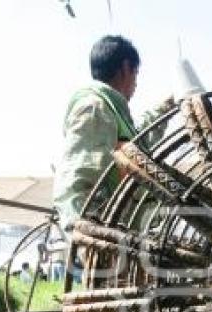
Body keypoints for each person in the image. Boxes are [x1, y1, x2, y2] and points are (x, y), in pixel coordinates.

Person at [53, 35, 172, 232]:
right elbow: (78, 180)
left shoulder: (112, 112)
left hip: (124, 234)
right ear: (125, 68)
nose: (136, 83)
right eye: (136, 73)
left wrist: (166, 108)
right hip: (107, 238)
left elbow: (139, 140)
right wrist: (89, 235)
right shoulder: (94, 107)